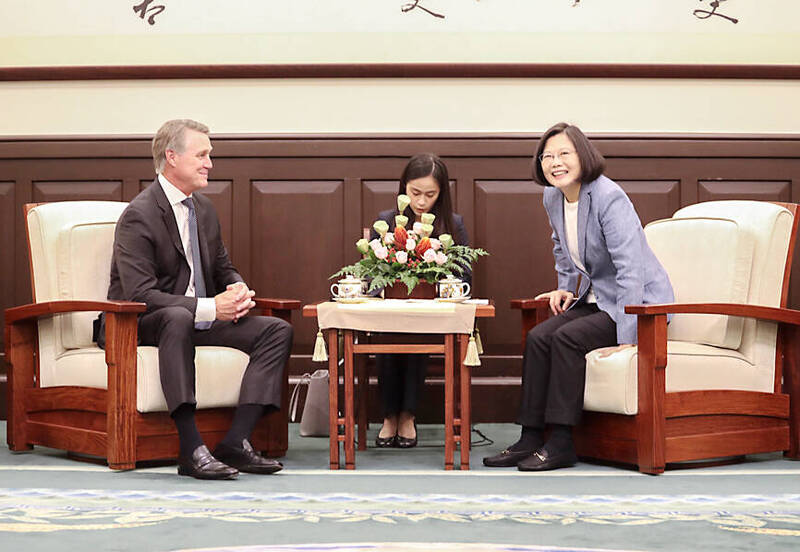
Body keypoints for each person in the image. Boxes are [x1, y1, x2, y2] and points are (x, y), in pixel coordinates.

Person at [96, 119, 293, 480]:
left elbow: (222, 266)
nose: (210, 163)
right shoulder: (139, 215)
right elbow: (141, 294)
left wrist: (237, 288)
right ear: (172, 157)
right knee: (176, 317)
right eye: (202, 154)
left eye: (209, 155)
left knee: (275, 330)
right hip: (138, 323)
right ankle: (190, 448)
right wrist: (209, 308)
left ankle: (236, 441)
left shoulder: (203, 209)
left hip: (196, 319)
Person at [483, 122, 673, 471]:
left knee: (567, 338)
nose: (555, 162)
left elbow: (631, 268)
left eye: (564, 154)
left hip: (638, 305)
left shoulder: (608, 196)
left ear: (583, 156)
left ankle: (561, 443)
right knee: (540, 337)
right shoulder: (552, 195)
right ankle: (530, 437)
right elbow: (562, 245)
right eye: (547, 156)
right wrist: (566, 287)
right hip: (596, 297)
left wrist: (630, 337)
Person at [369, 153, 470, 449]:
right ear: (403, 188)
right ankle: (389, 415)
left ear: (441, 194)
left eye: (430, 194)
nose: (421, 201)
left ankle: (408, 415)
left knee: (416, 332)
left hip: (433, 313)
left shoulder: (452, 223)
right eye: (414, 193)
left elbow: (464, 275)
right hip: (391, 311)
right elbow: (371, 273)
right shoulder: (386, 222)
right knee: (387, 333)